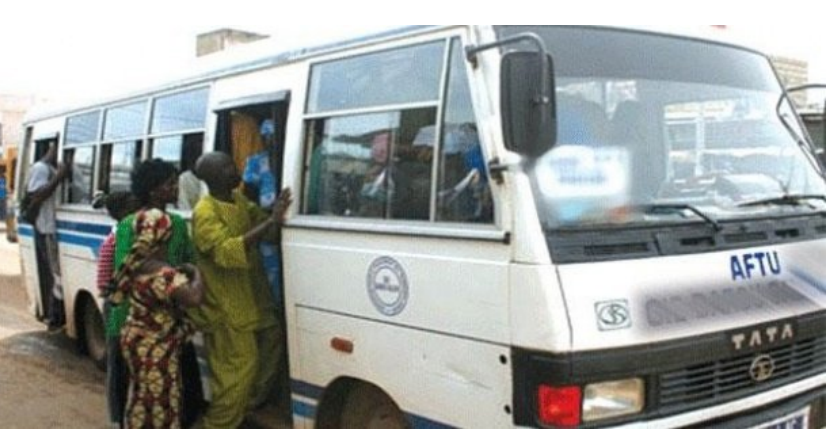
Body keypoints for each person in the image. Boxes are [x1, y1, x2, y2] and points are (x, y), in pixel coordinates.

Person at [190, 152, 292, 429]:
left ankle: (248, 406)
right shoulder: (205, 212)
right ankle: (218, 424)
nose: (235, 170)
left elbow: (267, 231)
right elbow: (225, 251)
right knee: (237, 372)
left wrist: (274, 218)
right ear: (212, 177)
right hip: (226, 305)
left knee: (272, 338)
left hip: (252, 296)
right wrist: (270, 222)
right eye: (227, 167)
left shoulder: (238, 201)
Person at [110, 159, 205, 427]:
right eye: (170, 184)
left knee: (151, 393)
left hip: (159, 321)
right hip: (149, 320)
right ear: (153, 191)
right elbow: (125, 272)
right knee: (158, 393)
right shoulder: (135, 225)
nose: (176, 188)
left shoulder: (170, 222)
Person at [93, 191, 141, 428]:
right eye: (133, 206)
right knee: (118, 364)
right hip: (116, 309)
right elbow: (103, 285)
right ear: (122, 212)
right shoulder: (115, 240)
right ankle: (116, 419)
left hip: (124, 305)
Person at [24, 143, 70, 330]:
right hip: (46, 229)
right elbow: (36, 195)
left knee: (59, 275)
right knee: (57, 275)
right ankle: (55, 316)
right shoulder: (40, 168)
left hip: (54, 229)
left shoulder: (51, 168)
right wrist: (58, 177)